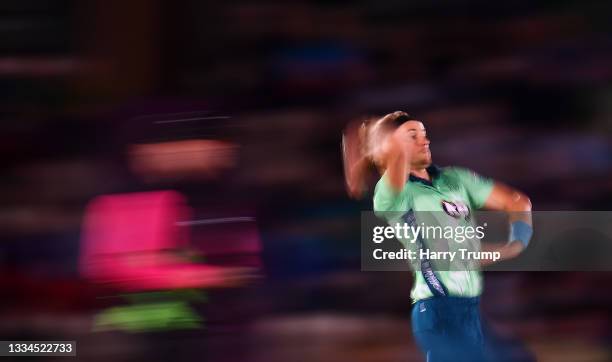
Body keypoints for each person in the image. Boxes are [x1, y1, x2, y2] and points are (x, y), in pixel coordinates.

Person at [342, 111, 534, 362]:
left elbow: (518, 202)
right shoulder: (392, 196)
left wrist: (516, 244)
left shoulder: (456, 179)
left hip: (471, 312)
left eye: (424, 134)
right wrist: (370, 140)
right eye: (412, 136)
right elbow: (394, 156)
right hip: (438, 313)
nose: (424, 140)